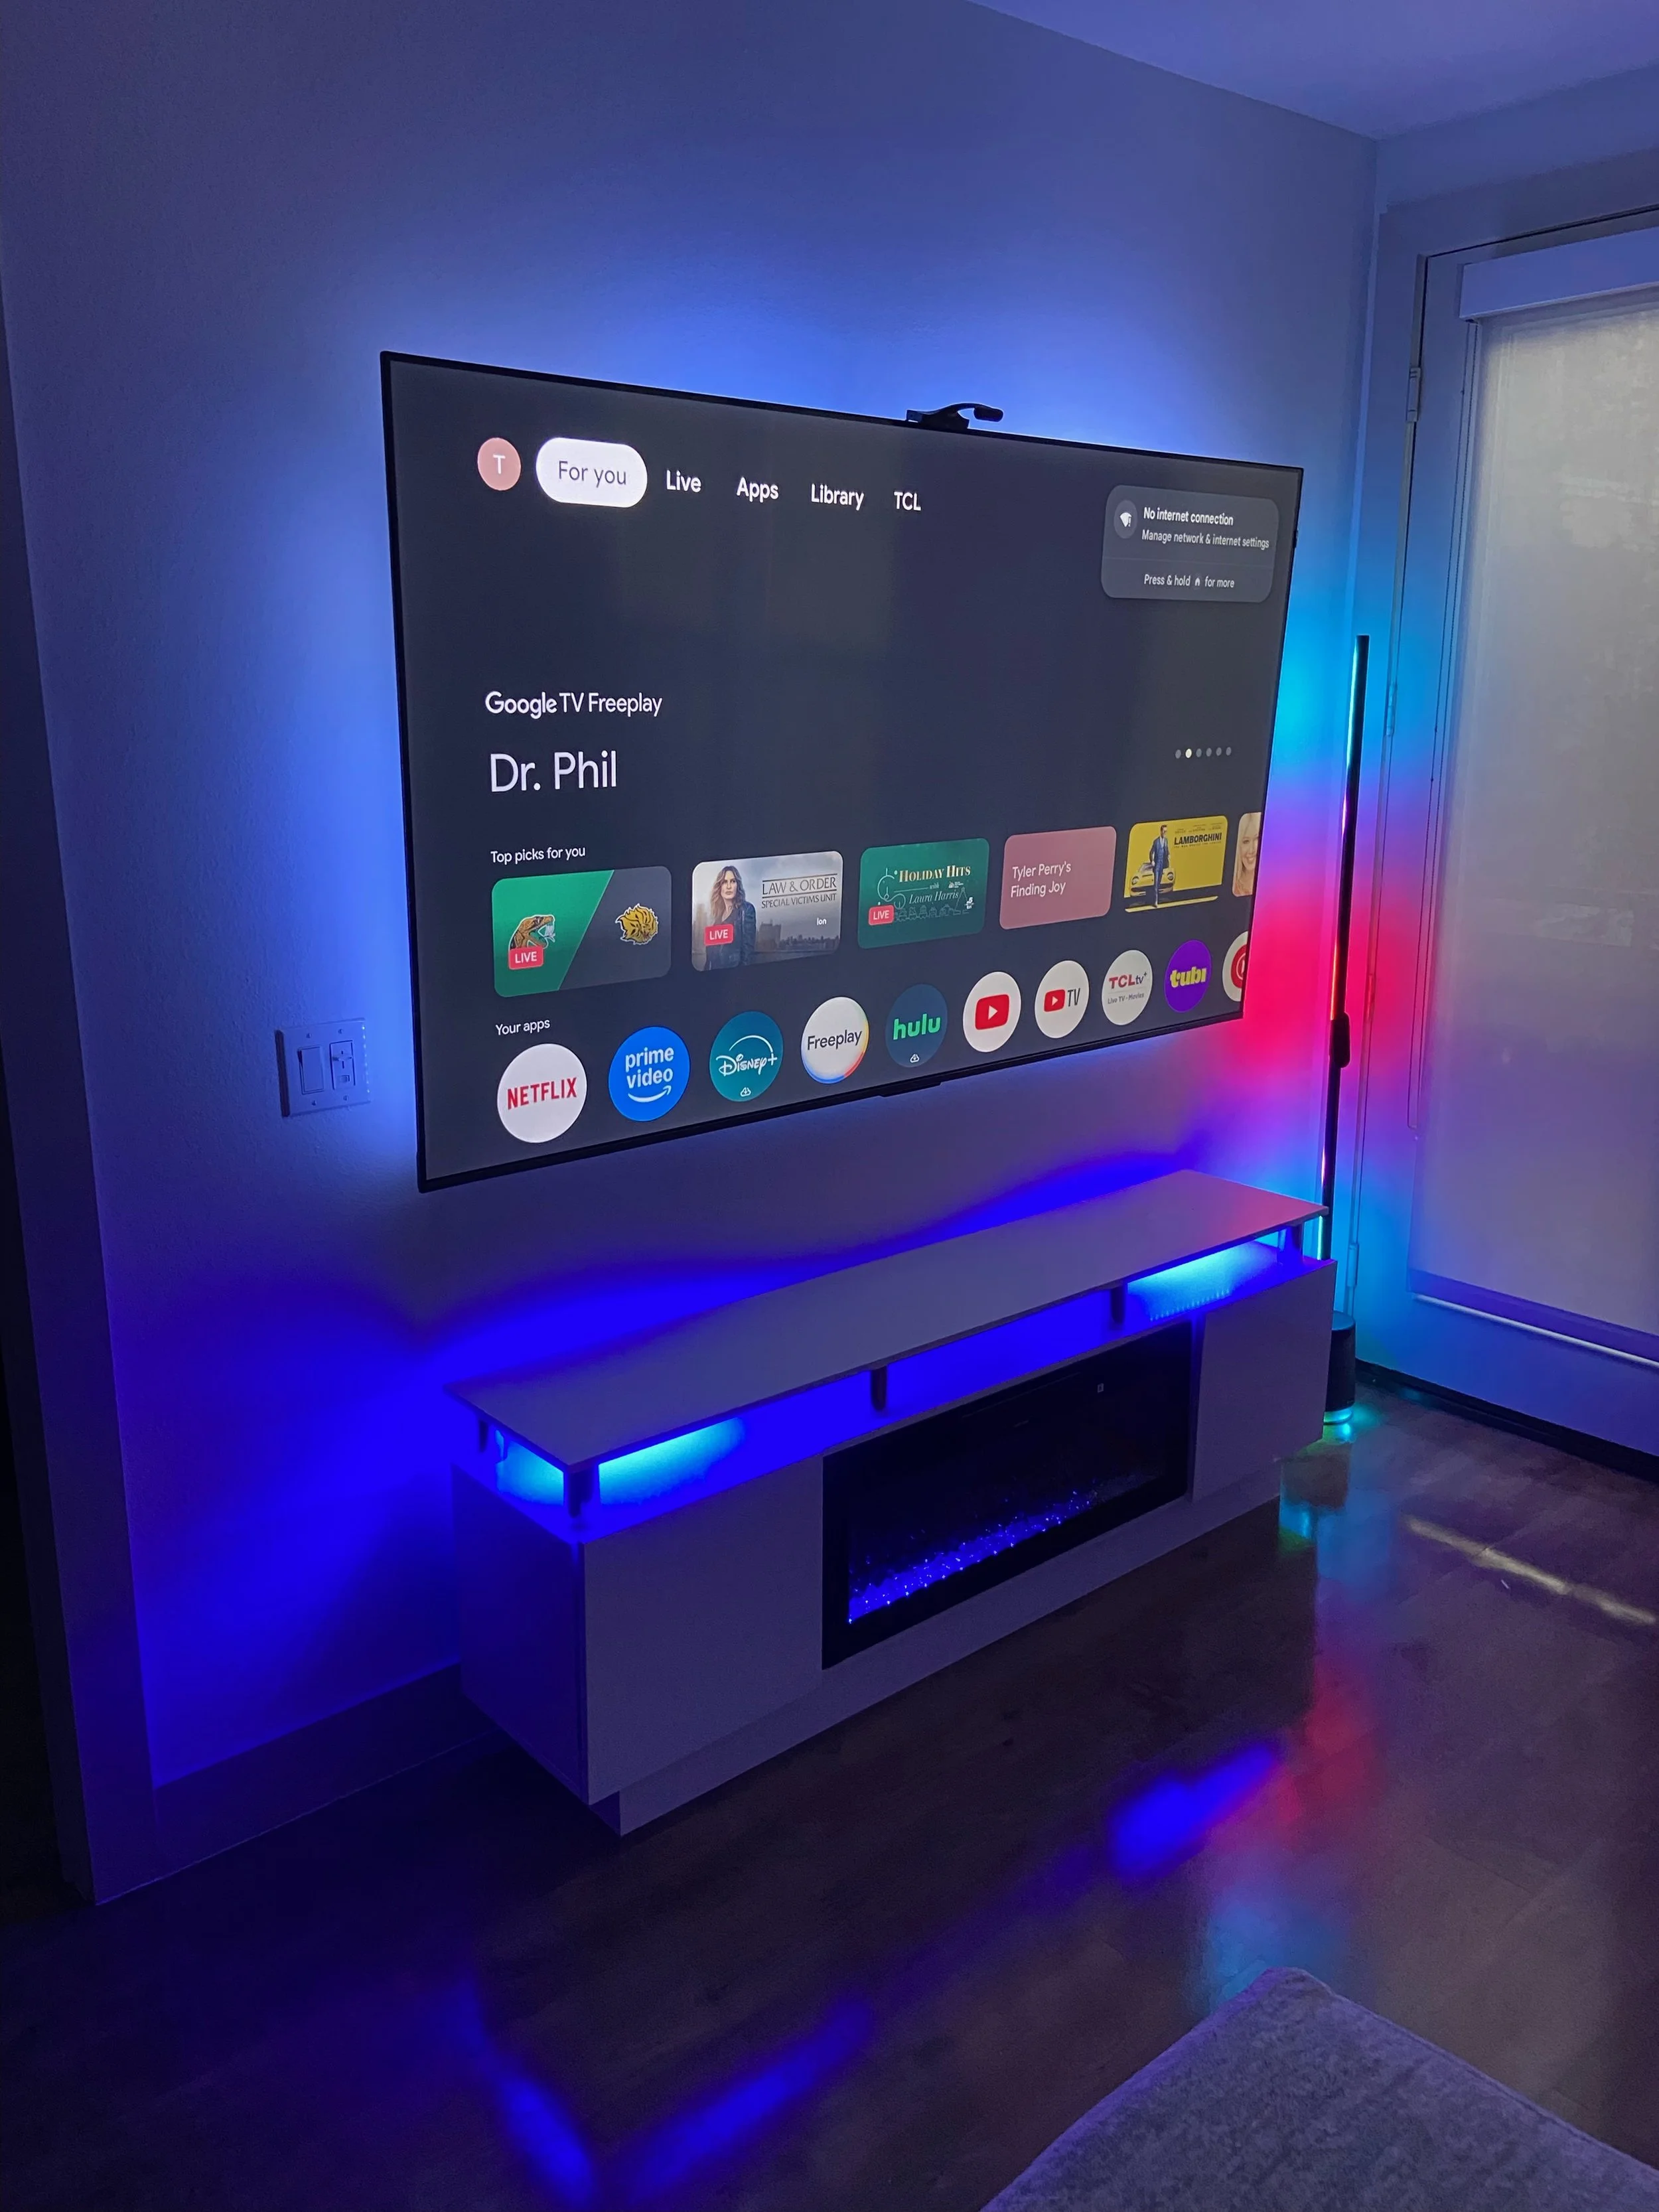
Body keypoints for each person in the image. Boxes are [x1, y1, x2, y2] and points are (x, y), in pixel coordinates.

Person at [699, 863, 756, 969]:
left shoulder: (746, 910)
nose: (729, 886)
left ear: (737, 885)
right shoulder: (716, 916)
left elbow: (747, 954)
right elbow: (710, 955)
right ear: (719, 887)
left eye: (733, 881)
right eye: (725, 882)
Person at [1148, 824, 1171, 908]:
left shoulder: (1166, 841)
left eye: (1166, 832)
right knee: (1156, 883)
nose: (1165, 833)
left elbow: (1167, 849)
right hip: (1157, 865)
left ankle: (1155, 898)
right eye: (1164, 831)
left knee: (1159, 883)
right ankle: (1155, 901)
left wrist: (1168, 855)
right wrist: (1152, 861)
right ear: (1161, 831)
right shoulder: (1156, 841)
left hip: (1162, 865)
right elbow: (1152, 852)